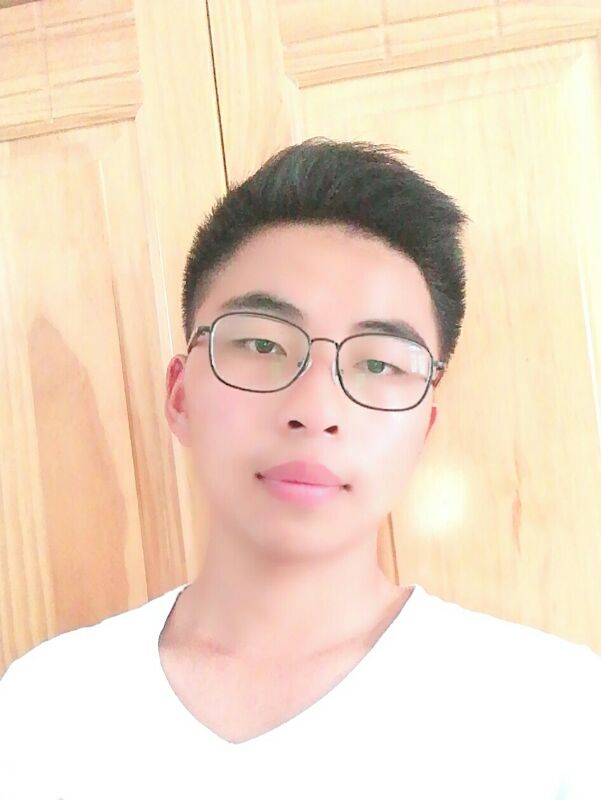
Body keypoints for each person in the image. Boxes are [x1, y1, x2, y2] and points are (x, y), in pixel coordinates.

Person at [1, 138, 599, 800]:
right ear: (180, 396)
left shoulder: (557, 716)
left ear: (423, 430)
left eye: (378, 363)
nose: (315, 410)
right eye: (262, 344)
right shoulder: (43, 708)